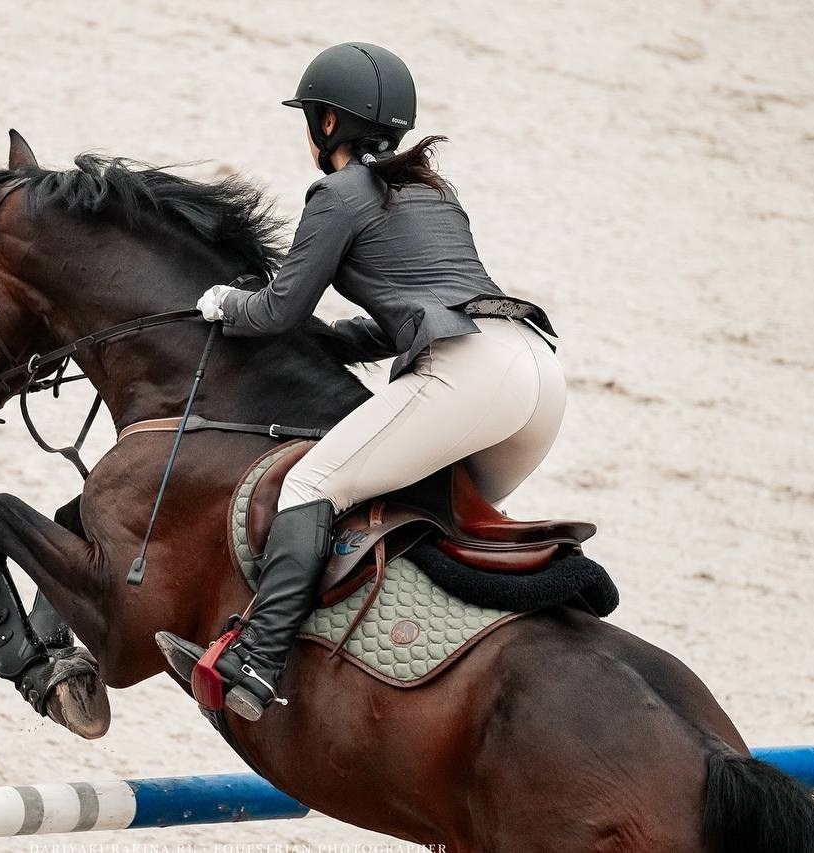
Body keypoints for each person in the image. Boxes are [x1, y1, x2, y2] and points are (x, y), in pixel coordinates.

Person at [156, 43, 567, 721]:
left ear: (327, 123)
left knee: (312, 486)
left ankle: (257, 660)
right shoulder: (435, 192)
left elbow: (277, 309)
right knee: (415, 515)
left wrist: (226, 303)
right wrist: (329, 342)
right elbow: (419, 311)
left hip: (472, 375)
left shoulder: (337, 195)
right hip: (538, 375)